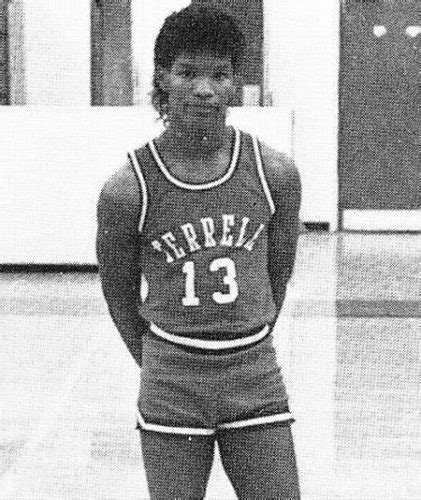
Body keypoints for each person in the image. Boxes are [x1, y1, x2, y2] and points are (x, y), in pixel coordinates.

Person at [96, 5, 301, 499]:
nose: (204, 89)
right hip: (172, 377)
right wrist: (157, 359)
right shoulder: (128, 189)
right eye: (188, 73)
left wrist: (247, 334)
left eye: (220, 74)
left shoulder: (274, 173)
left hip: (254, 373)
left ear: (236, 82)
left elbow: (279, 272)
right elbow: (119, 293)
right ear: (162, 78)